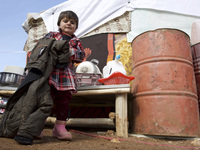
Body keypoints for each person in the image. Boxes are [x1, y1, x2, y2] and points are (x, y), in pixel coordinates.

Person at [44, 10, 85, 141]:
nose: (69, 24)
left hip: (65, 75)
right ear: (59, 23)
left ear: (76, 27)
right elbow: (42, 48)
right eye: (65, 21)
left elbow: (80, 56)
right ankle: (37, 125)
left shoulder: (76, 41)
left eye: (72, 22)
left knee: (64, 100)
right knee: (45, 99)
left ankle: (59, 128)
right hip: (49, 72)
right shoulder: (52, 35)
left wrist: (70, 51)